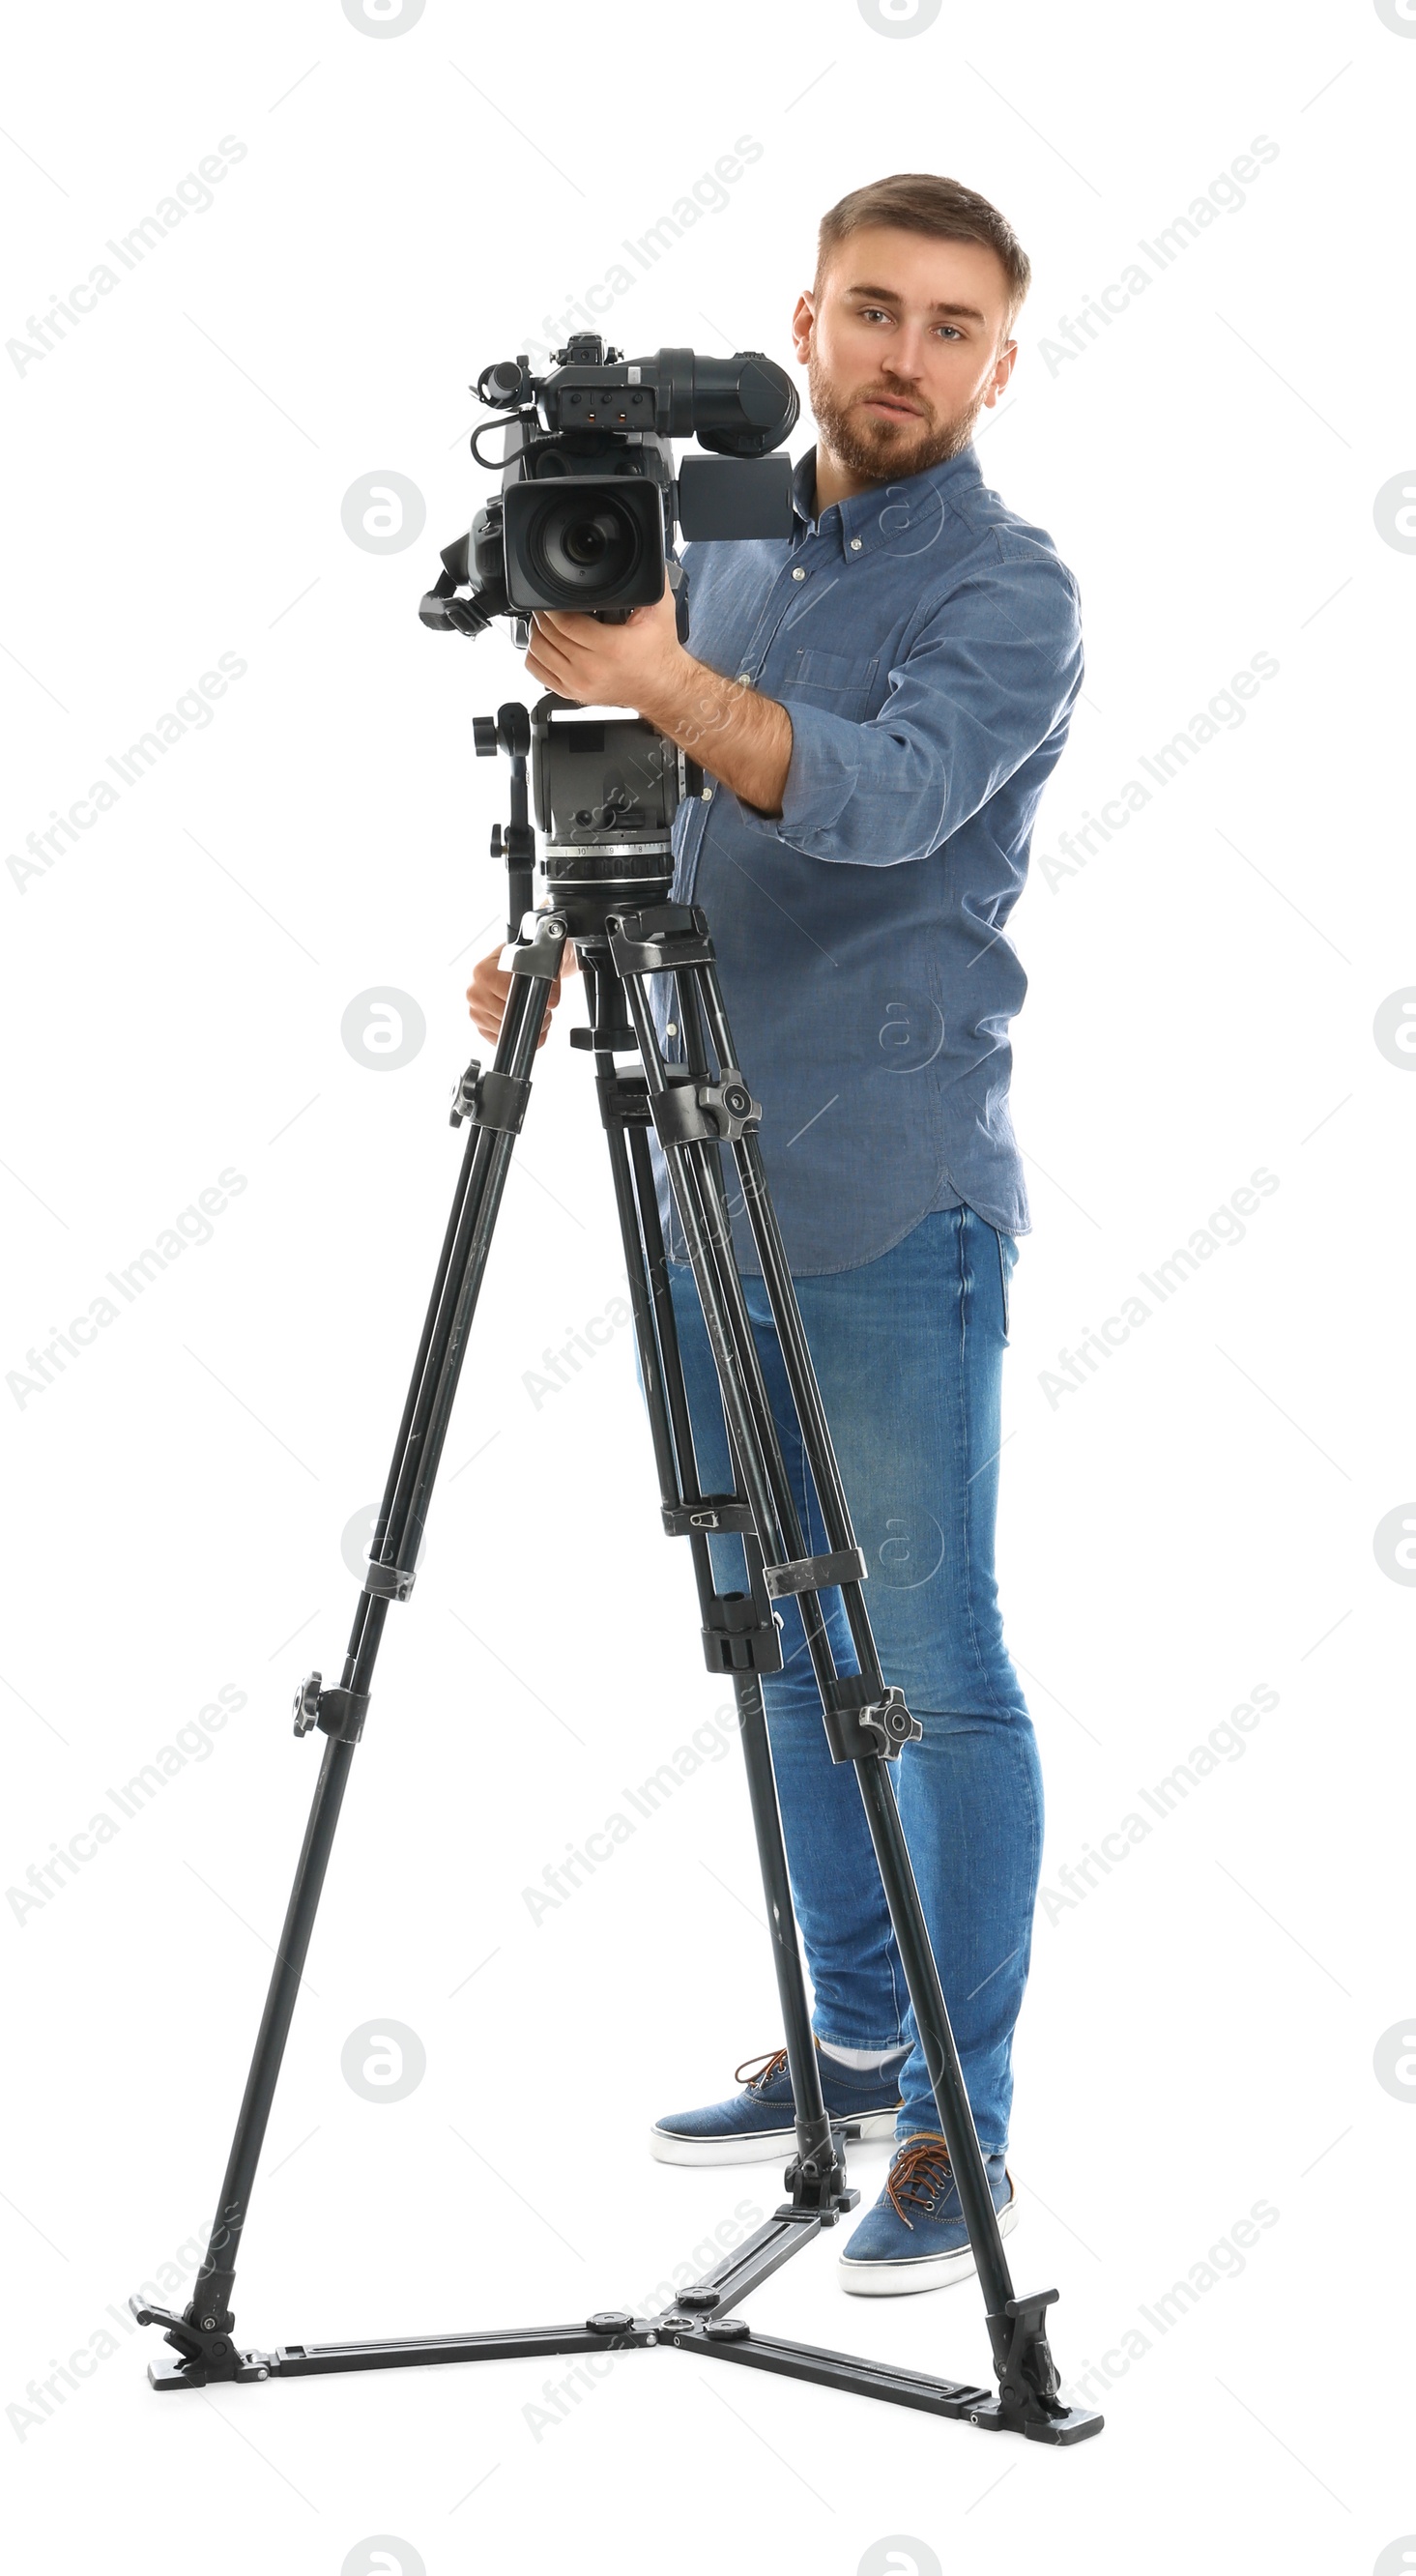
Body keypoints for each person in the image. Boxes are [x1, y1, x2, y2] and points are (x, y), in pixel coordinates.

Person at [467, 173, 1083, 2296]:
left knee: (924, 1667)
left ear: (998, 363)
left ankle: (960, 2130)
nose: (903, 354)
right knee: (772, 1635)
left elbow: (873, 795)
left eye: (949, 326)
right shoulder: (704, 538)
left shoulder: (1010, 589)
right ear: (800, 324)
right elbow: (642, 761)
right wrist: (549, 951)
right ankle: (841, 2049)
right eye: (870, 311)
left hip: (881, 1184)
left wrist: (657, 674)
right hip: (685, 1169)